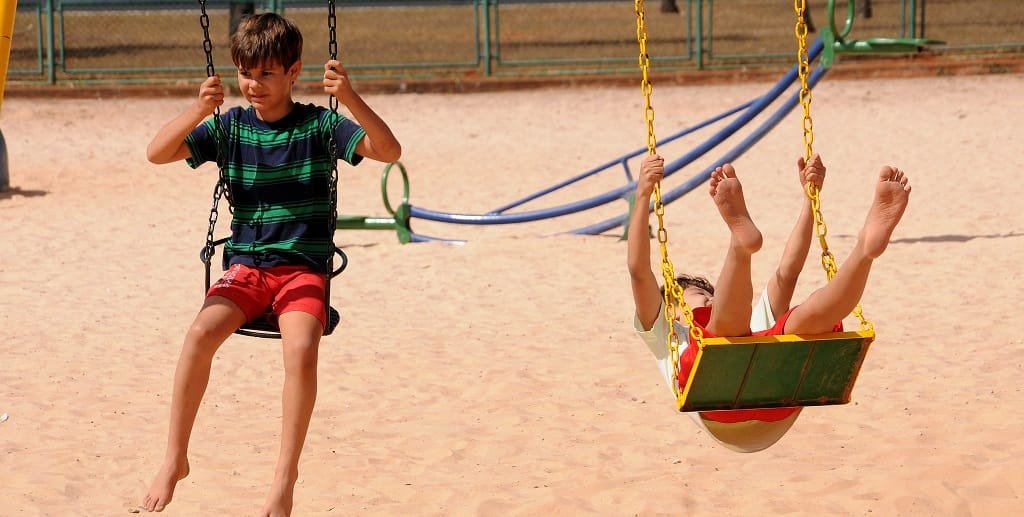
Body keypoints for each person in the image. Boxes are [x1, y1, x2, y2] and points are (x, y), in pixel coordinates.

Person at [141, 13, 401, 515]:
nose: (254, 85)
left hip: (304, 268)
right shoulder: (230, 127)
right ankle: (175, 459)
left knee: (301, 347)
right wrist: (199, 110)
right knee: (198, 336)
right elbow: (157, 153)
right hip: (248, 267)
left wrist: (348, 97)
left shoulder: (321, 125)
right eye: (246, 73)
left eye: (266, 74)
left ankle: (284, 479)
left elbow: (388, 150)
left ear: (293, 72)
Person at [627, 153, 910, 445]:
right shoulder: (664, 336)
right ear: (671, 313)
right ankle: (740, 246)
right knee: (718, 335)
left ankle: (865, 250)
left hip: (777, 397)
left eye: (711, 295)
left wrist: (809, 201)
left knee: (803, 320)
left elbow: (787, 273)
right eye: (700, 295)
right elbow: (639, 272)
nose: (709, 299)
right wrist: (643, 193)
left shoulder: (754, 326)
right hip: (716, 404)